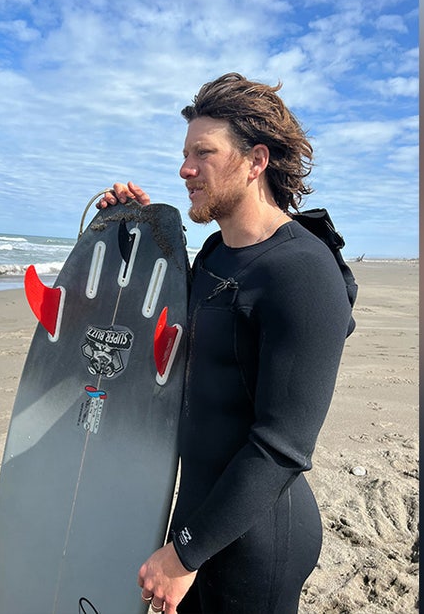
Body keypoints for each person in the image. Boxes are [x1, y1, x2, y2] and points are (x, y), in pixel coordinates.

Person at [96, 73, 355, 613]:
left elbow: (282, 447)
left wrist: (184, 556)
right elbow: (165, 334)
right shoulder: (214, 253)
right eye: (185, 153)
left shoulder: (302, 273)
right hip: (199, 511)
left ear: (255, 160)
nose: (185, 168)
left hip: (256, 536)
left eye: (203, 153)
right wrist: (132, 234)